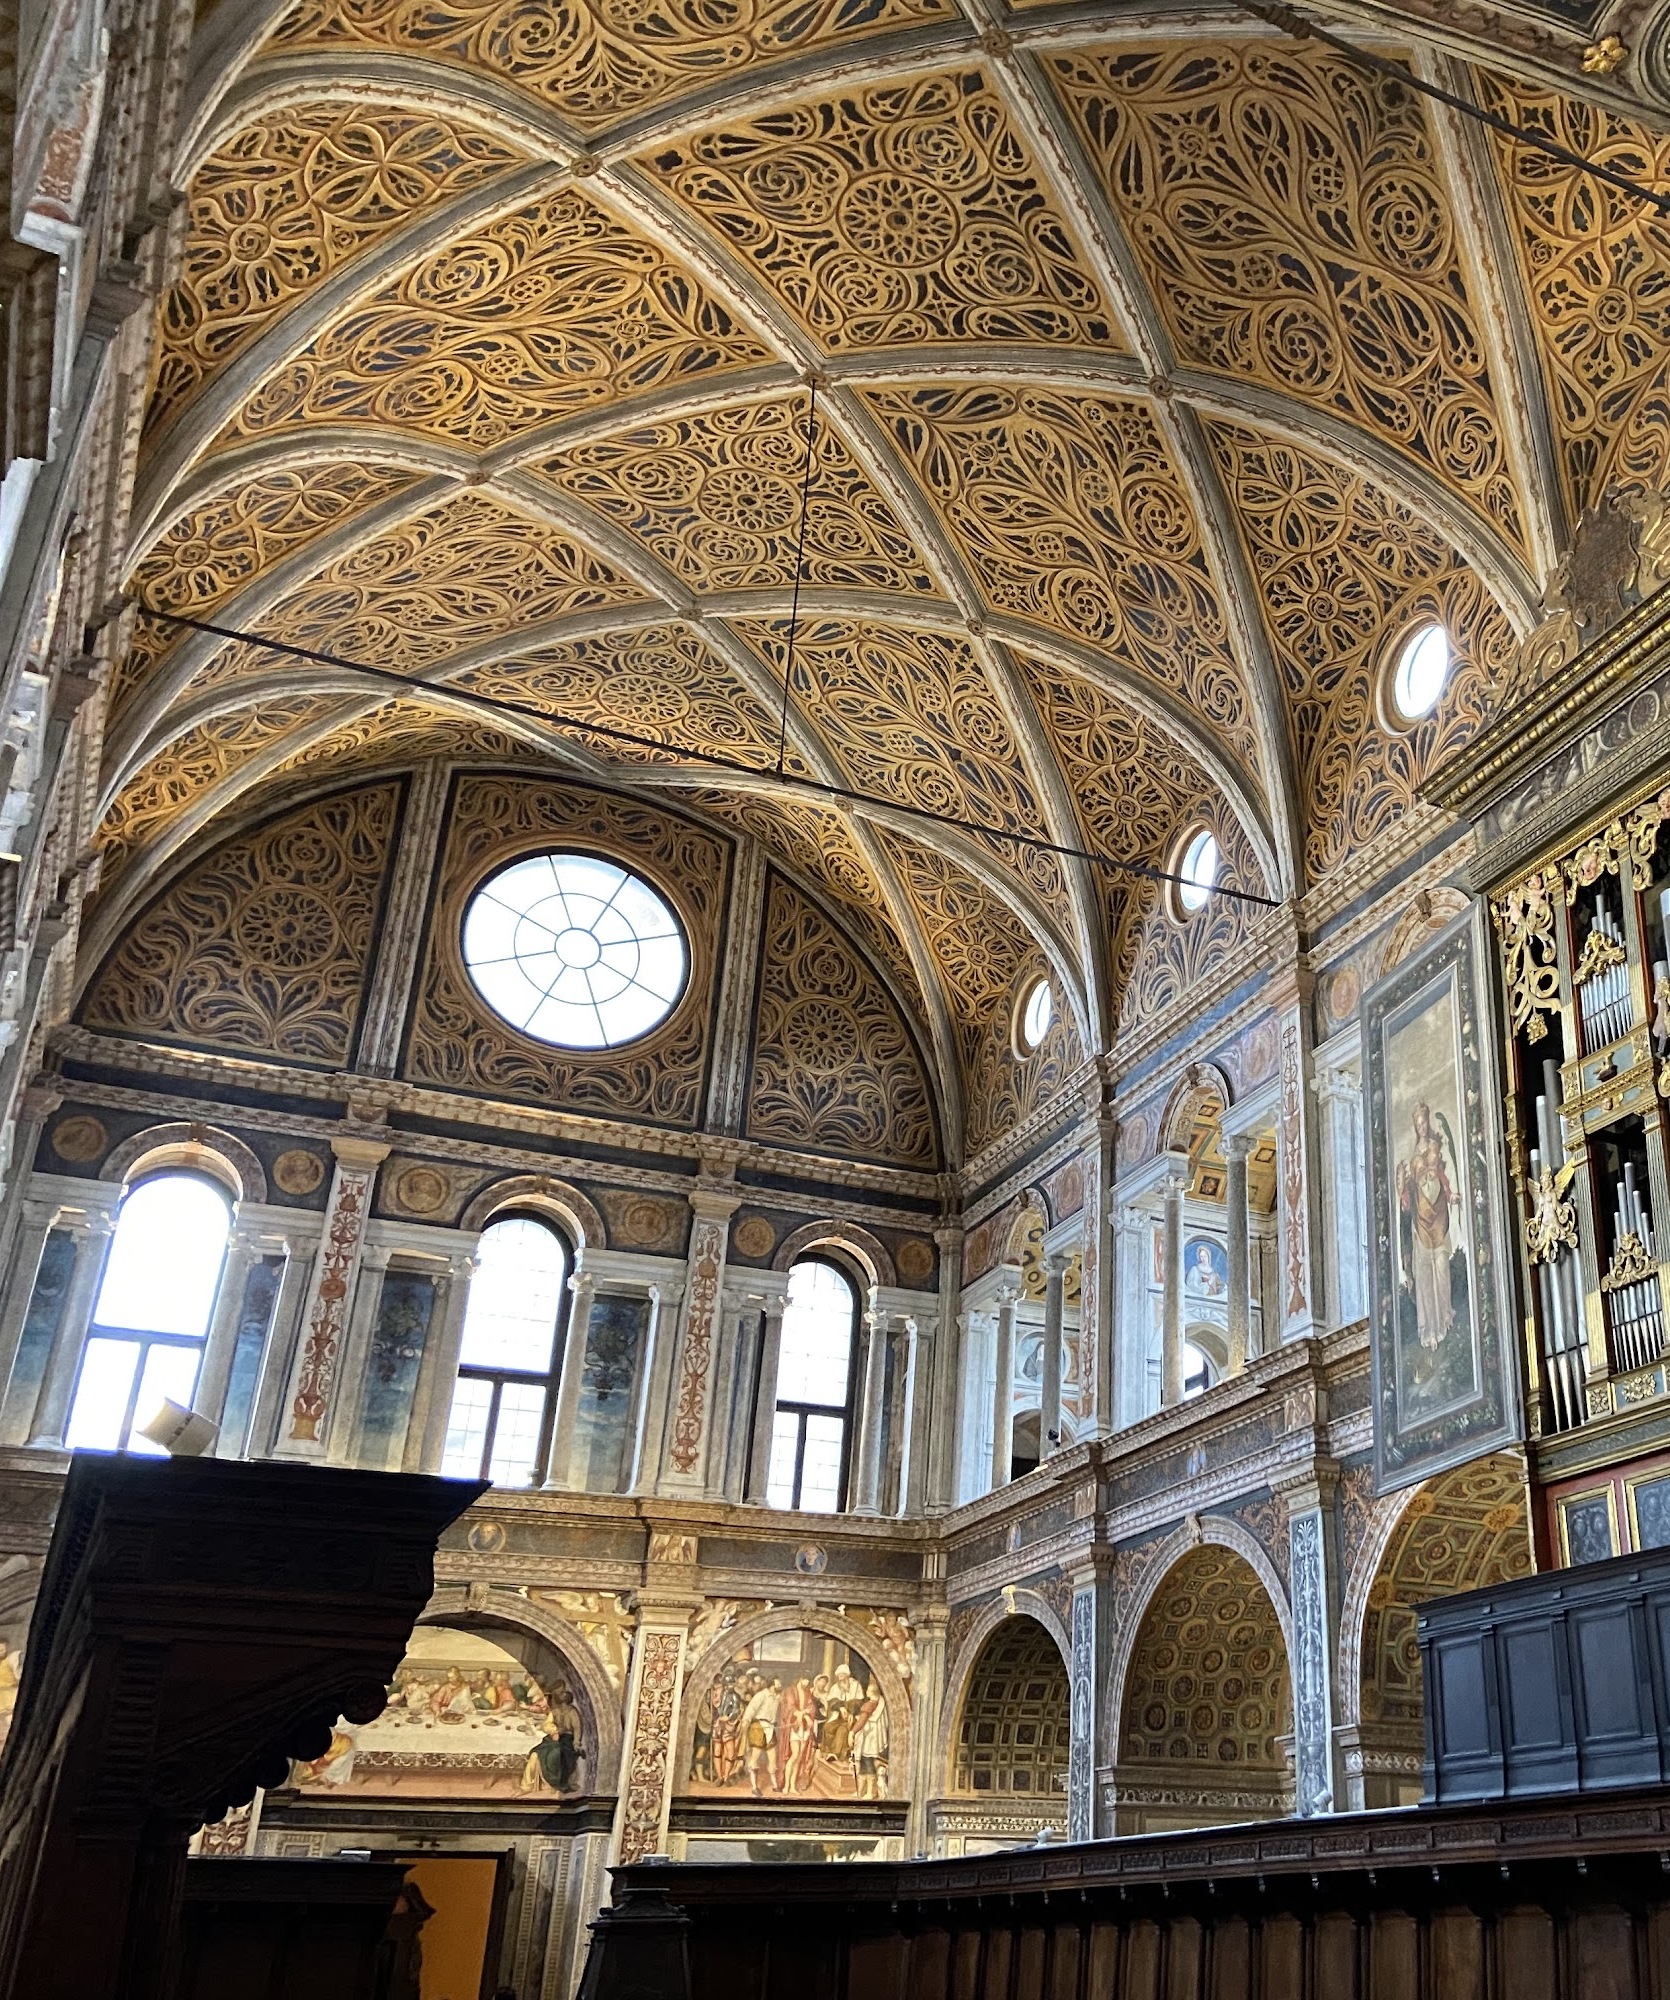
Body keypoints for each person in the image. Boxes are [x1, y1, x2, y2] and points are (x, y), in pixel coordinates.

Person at [1397, 1100, 1459, 1354]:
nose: (1422, 1127)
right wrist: (1403, 1189)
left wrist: (1450, 1192)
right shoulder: (1413, 1157)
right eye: (1418, 1124)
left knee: (1441, 1267)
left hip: (1438, 1214)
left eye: (1424, 1122)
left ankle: (1445, 1317)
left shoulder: (1434, 1146)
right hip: (1420, 1219)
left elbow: (1442, 1176)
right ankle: (1428, 1328)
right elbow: (1408, 1194)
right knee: (1423, 1275)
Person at [522, 1682, 581, 1793]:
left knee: (559, 1757)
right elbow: (547, 1725)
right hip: (551, 1740)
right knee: (535, 1754)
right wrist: (553, 1730)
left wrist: (576, 1742)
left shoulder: (573, 1713)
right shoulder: (555, 1711)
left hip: (566, 1740)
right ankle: (527, 1786)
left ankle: (556, 1783)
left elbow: (577, 1728)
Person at [742, 1675, 781, 1796]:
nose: (780, 1686)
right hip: (758, 1726)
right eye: (778, 1684)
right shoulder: (761, 1695)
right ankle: (754, 1787)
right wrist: (746, 1720)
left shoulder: (777, 1697)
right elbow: (751, 1708)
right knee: (755, 1758)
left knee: (773, 1758)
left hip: (770, 1727)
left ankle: (775, 1785)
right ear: (771, 1685)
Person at [852, 1682, 888, 1800]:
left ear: (871, 1692)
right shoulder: (881, 1702)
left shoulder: (870, 1705)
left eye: (867, 1690)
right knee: (864, 1762)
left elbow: (861, 1721)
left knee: (867, 1763)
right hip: (873, 1736)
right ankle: (860, 1791)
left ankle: (869, 1792)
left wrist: (852, 1732)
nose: (866, 1691)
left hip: (869, 1737)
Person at [710, 1670, 743, 1785]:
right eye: (727, 1684)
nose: (730, 1686)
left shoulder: (736, 1696)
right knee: (717, 1751)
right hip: (718, 1725)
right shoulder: (720, 1694)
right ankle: (719, 1776)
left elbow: (736, 1710)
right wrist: (714, 1699)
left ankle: (726, 1776)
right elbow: (715, 1706)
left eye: (731, 1684)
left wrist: (728, 1717)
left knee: (730, 1751)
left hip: (729, 1726)